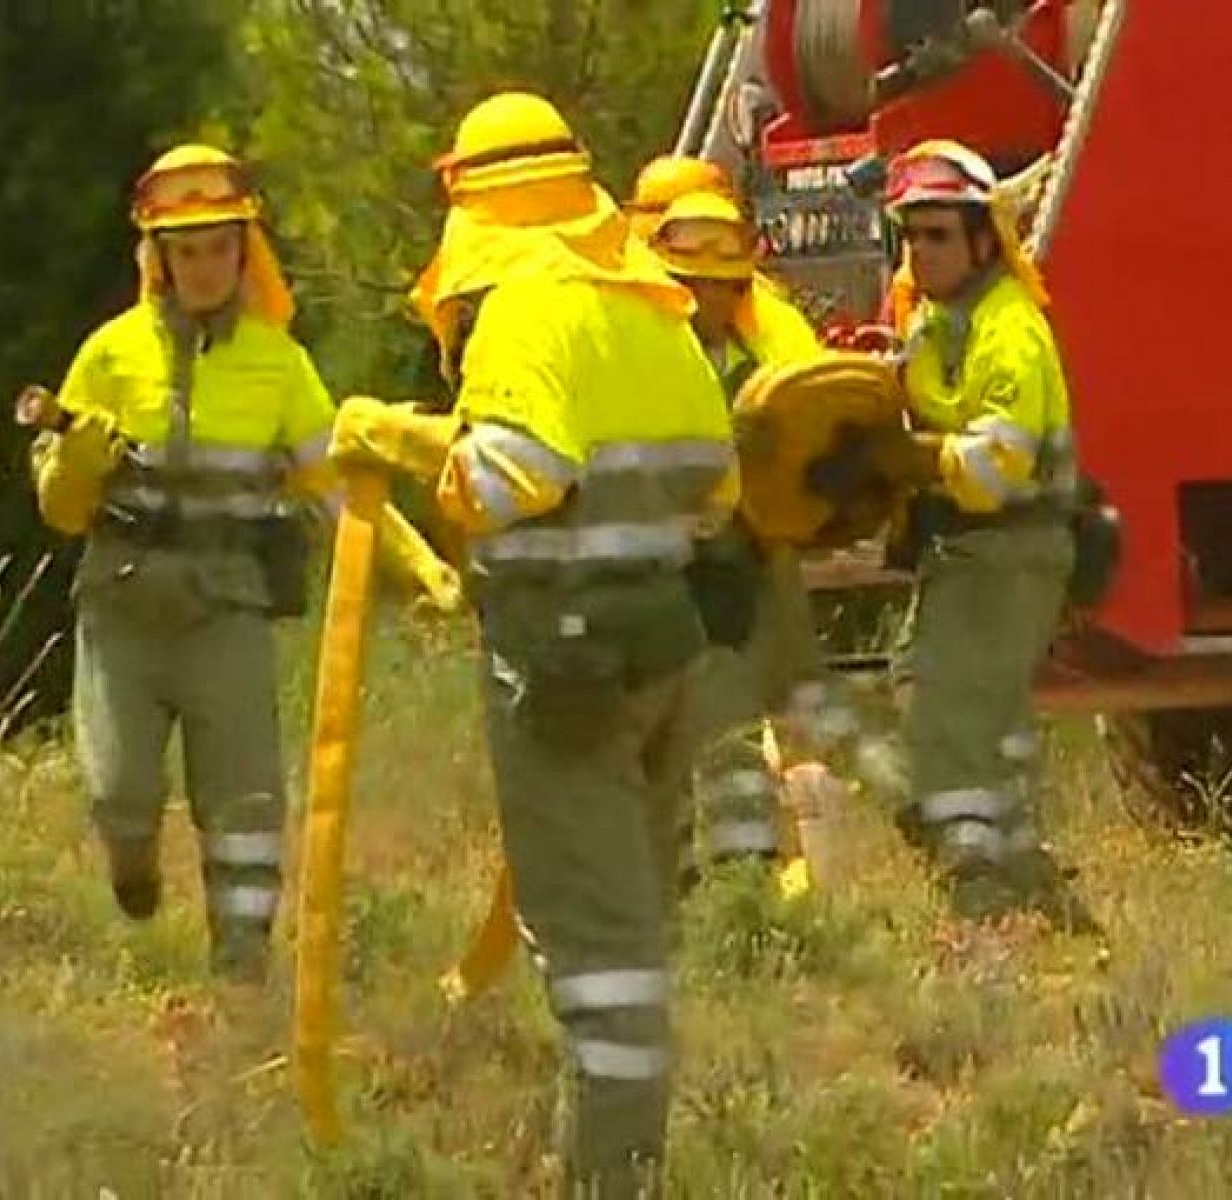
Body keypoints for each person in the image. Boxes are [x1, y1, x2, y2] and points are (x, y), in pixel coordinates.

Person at [328, 92, 735, 1198]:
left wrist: (394, 433)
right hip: (662, 659)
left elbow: (507, 475)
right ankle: (604, 1164)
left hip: (565, 679)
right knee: (636, 937)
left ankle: (612, 1182)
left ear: (470, 208)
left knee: (602, 968)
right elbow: (718, 486)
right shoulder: (646, 305)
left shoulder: (522, 311)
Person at [25, 144, 456, 983]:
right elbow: (59, 507)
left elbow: (335, 483)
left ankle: (243, 964)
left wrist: (418, 566)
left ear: (244, 250)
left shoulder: (279, 361)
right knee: (120, 795)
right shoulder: (110, 354)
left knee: (247, 802)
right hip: (123, 611)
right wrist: (78, 459)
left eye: (220, 247)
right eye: (185, 250)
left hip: (227, 610)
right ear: (158, 258)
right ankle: (134, 868)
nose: (204, 266)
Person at [816, 139, 1092, 928]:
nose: (920, 253)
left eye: (937, 235)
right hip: (961, 552)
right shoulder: (943, 322)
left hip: (1010, 552)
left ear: (981, 240)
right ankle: (1047, 907)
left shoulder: (1011, 332)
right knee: (955, 720)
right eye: (910, 236)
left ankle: (983, 906)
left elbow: (999, 469)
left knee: (943, 727)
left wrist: (907, 455)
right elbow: (921, 392)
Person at [645, 190, 859, 884]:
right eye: (693, 282)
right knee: (692, 734)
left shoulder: (756, 352)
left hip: (747, 567)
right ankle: (713, 878)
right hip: (682, 575)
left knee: (754, 728)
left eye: (718, 284)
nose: (705, 296)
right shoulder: (653, 355)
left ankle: (751, 877)